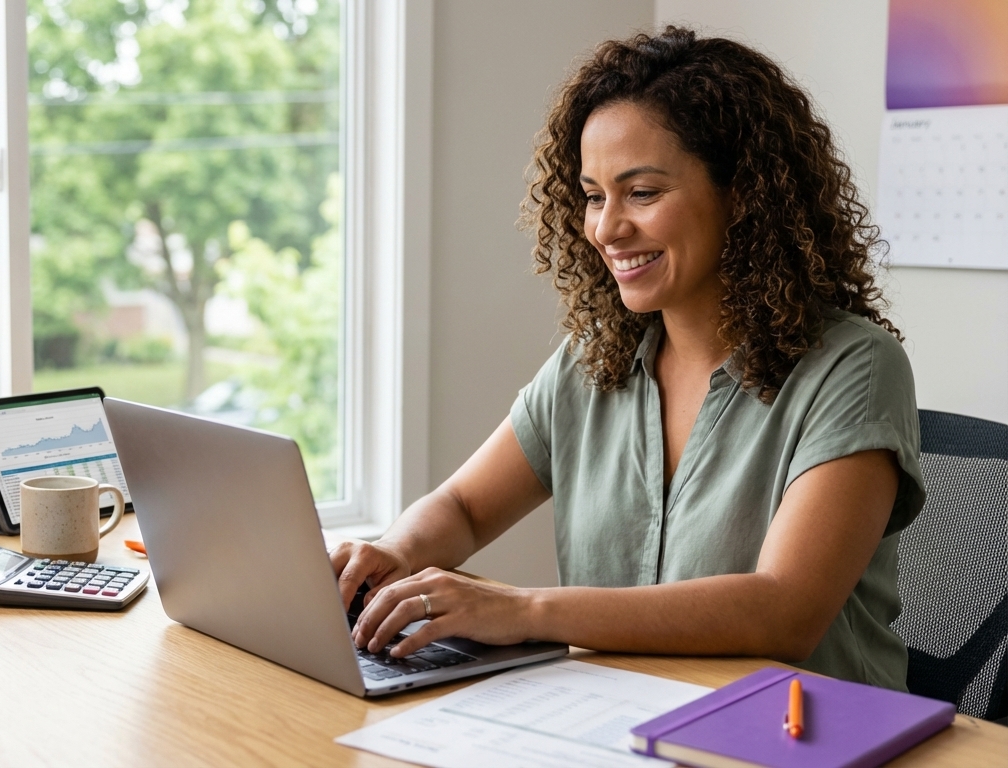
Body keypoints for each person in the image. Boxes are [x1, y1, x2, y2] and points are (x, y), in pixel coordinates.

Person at [330, 26, 925, 691]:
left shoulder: (855, 369)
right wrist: (393, 552)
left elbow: (782, 612)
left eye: (641, 193)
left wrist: (524, 611)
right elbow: (466, 507)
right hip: (618, 721)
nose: (607, 228)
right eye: (592, 195)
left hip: (799, 737)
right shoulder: (593, 362)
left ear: (743, 194)